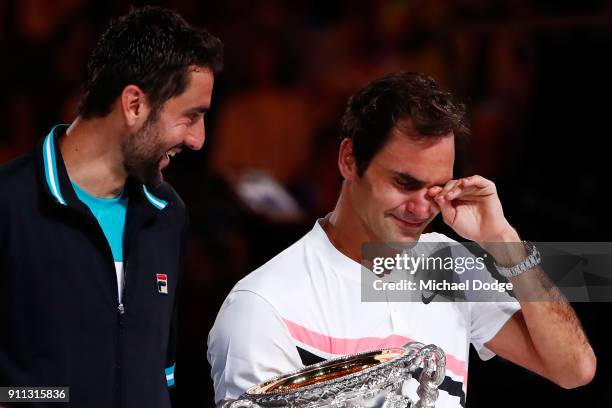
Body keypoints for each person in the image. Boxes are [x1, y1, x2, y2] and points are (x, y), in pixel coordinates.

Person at [207, 72, 596, 407]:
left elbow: (574, 369)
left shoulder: (446, 265)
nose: (421, 208)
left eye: (436, 188)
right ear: (349, 159)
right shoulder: (263, 305)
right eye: (404, 183)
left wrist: (504, 241)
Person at [0, 6, 222, 408]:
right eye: (191, 116)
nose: (198, 140)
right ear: (134, 104)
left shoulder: (168, 213)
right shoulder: (9, 206)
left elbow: (159, 375)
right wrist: (48, 399)